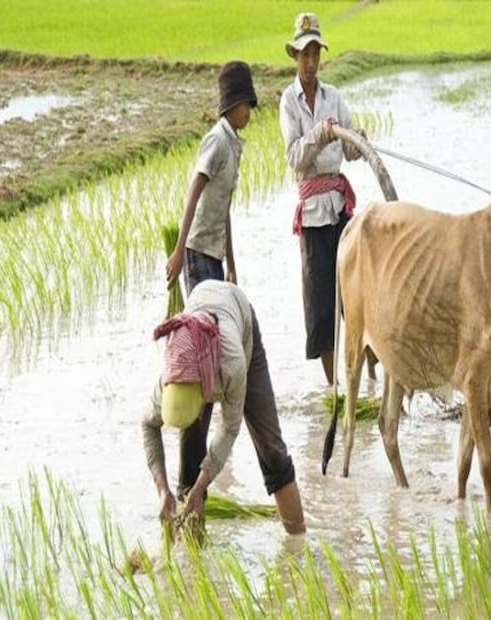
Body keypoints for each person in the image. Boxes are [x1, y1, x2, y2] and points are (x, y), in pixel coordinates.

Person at [142, 280, 306, 535]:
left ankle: (298, 545)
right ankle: (192, 561)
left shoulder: (232, 364)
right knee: (189, 462)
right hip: (199, 324)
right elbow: (148, 424)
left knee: (271, 450)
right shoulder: (171, 374)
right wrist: (162, 490)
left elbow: (230, 429)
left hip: (239, 323)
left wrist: (201, 487)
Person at [165, 60, 257, 502]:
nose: (251, 114)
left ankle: (202, 461)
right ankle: (191, 471)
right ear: (234, 105)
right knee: (206, 350)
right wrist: (180, 249)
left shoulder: (235, 145)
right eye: (247, 106)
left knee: (215, 351)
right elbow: (195, 191)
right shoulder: (216, 141)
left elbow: (225, 210)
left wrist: (233, 265)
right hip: (197, 254)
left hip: (215, 255)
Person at [278, 12, 375, 387]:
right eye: (304, 54)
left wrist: (358, 140)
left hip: (341, 209)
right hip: (314, 215)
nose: (311, 62)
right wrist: (319, 134)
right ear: (295, 56)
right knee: (321, 306)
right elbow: (294, 157)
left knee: (357, 294)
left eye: (316, 53)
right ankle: (334, 385)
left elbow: (349, 150)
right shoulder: (289, 102)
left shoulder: (334, 96)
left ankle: (366, 377)